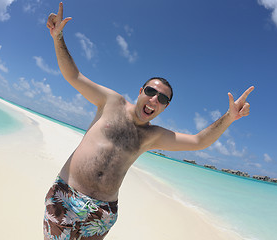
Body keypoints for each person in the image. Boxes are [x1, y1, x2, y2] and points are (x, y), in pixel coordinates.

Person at [44, 2, 254, 240]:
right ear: (141, 90)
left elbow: (198, 141)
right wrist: (58, 37)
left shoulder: (153, 136)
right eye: (151, 92)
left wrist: (230, 117)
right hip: (67, 197)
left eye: (162, 98)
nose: (154, 99)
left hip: (103, 213)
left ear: (165, 106)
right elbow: (74, 75)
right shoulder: (112, 102)